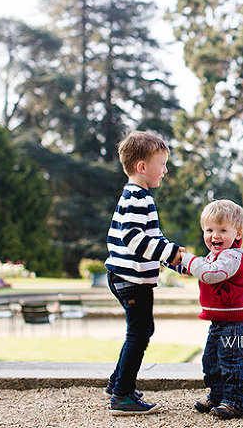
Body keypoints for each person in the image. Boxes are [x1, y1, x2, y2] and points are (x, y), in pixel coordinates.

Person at [104, 131, 183, 415]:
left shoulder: (136, 195)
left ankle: (117, 383)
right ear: (142, 167)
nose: (165, 170)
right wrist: (169, 253)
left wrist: (174, 258)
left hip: (126, 276)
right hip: (131, 279)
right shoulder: (138, 197)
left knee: (142, 330)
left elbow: (153, 239)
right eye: (161, 164)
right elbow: (134, 239)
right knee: (138, 333)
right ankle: (122, 395)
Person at [179, 199, 243, 419]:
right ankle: (218, 396)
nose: (215, 235)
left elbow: (211, 274)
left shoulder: (232, 256)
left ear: (237, 234)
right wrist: (180, 262)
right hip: (220, 321)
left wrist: (189, 259)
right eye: (209, 230)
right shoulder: (214, 256)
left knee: (230, 360)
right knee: (211, 360)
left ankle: (235, 402)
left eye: (223, 230)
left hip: (237, 323)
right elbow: (202, 269)